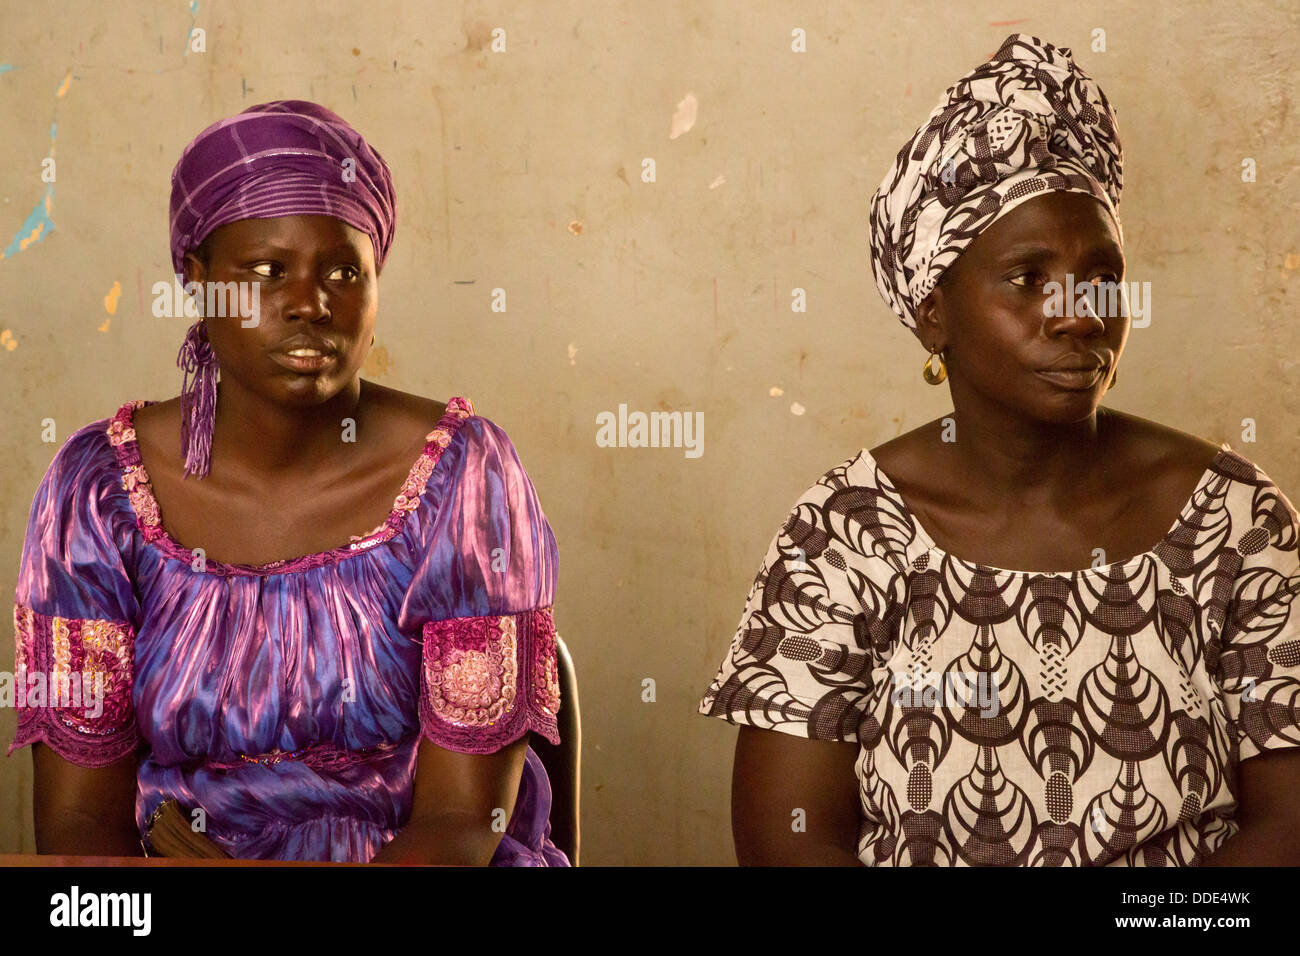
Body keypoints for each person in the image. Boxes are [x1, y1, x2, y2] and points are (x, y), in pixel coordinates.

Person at [699, 34, 1300, 866]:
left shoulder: (1237, 521)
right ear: (933, 313)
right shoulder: (845, 537)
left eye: (1102, 277)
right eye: (1027, 278)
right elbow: (785, 840)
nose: (1079, 313)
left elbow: (1287, 826)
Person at [7, 100, 569, 865]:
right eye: (266, 272)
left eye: (345, 271)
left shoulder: (465, 480)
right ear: (199, 284)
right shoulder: (96, 496)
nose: (311, 305)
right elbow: (78, 828)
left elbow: (463, 822)